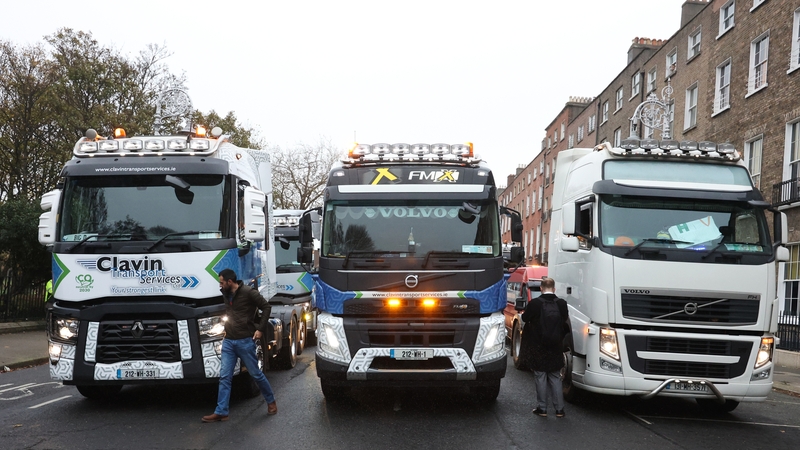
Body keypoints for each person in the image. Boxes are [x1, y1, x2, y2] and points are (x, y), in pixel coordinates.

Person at [202, 268, 277, 422]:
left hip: (245, 341)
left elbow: (266, 307)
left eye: (222, 283)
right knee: (225, 377)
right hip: (229, 341)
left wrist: (260, 329)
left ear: (230, 282)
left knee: (256, 374)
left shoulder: (249, 292)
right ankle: (222, 411)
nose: (220, 286)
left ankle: (271, 402)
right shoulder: (226, 293)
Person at [520, 277, 570, 418]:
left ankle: (542, 408)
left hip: (538, 345)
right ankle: (559, 409)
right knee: (555, 376)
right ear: (554, 289)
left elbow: (524, 319)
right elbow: (564, 320)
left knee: (540, 376)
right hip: (555, 345)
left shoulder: (535, 303)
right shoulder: (561, 304)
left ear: (541, 288)